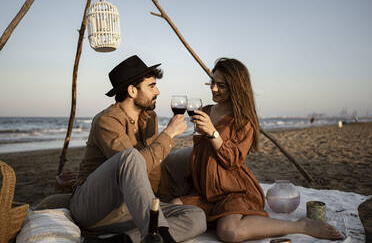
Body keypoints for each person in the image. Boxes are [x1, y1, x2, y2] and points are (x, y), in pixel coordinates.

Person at [169, 58, 343, 242]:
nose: (213, 89)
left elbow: (232, 160)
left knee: (229, 232)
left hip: (232, 191)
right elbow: (201, 152)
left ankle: (301, 225)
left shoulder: (244, 121)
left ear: (236, 87)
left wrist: (212, 132)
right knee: (173, 207)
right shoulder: (204, 110)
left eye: (221, 85)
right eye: (212, 82)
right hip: (204, 191)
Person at [69, 55, 206, 243]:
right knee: (130, 157)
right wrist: (169, 134)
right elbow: (135, 167)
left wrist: (165, 196)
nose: (157, 91)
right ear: (132, 90)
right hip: (93, 208)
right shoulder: (106, 121)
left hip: (130, 208)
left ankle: (125, 240)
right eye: (151, 86)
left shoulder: (149, 118)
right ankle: (159, 236)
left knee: (197, 217)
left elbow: (153, 168)